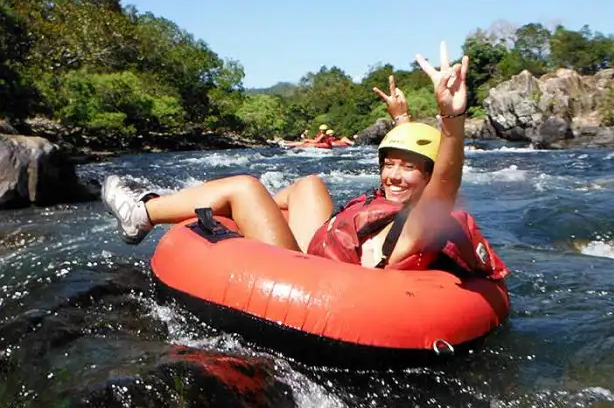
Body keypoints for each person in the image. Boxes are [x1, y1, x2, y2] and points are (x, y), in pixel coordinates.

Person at [102, 41, 507, 279]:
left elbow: (445, 180)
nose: (394, 176)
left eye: (408, 169)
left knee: (245, 187)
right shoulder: (400, 196)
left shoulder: (422, 221)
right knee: (310, 183)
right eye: (389, 163)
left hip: (312, 276)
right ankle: (197, 199)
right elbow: (420, 157)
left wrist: (451, 117)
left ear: (431, 177)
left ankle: (144, 213)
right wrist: (402, 118)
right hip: (319, 252)